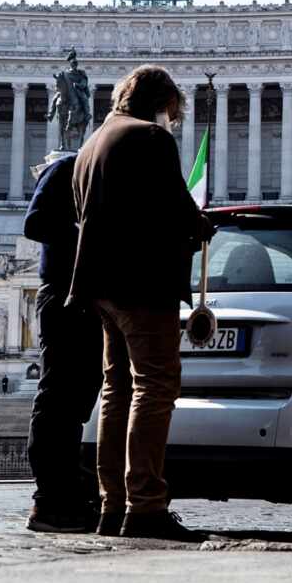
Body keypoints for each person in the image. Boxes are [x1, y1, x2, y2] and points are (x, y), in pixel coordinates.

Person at [69, 65, 210, 541]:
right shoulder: (151, 138)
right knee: (155, 386)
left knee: (116, 391)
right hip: (142, 283)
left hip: (99, 286)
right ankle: (146, 504)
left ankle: (111, 506)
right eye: (172, 110)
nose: (172, 120)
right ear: (159, 102)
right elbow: (174, 207)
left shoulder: (90, 145)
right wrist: (200, 227)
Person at [21, 149, 103, 533]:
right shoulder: (65, 166)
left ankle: (74, 492)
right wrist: (90, 238)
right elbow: (36, 223)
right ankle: (49, 499)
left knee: (80, 400)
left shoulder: (100, 173)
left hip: (93, 298)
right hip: (64, 294)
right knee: (59, 398)